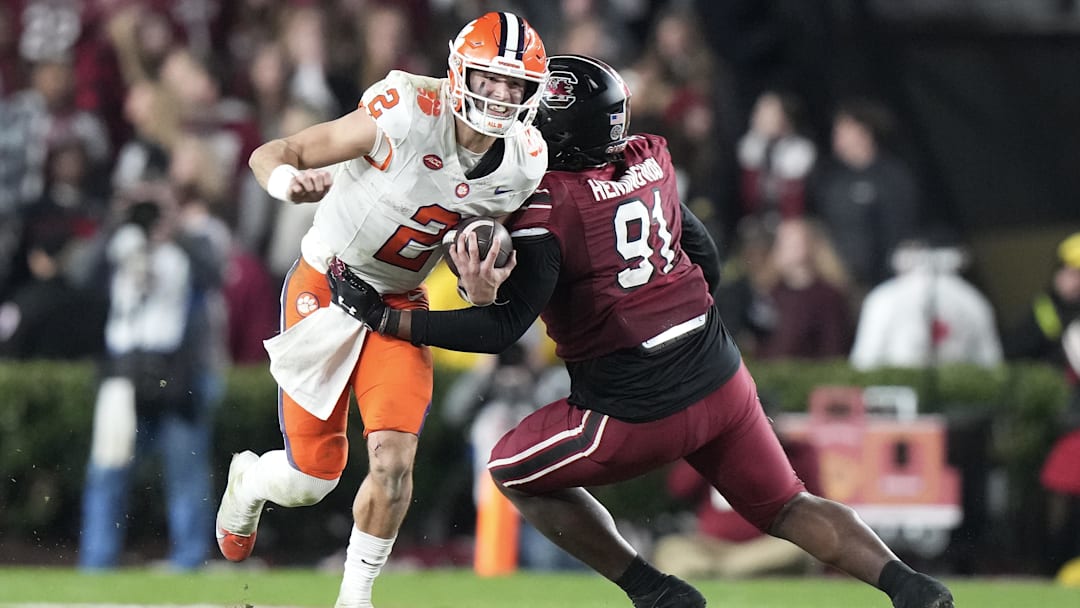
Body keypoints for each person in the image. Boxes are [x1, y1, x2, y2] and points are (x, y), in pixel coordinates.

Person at [330, 55, 954, 608]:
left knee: (509, 467)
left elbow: (504, 327)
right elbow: (701, 255)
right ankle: (913, 590)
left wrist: (389, 318)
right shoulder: (650, 159)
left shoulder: (547, 205)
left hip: (630, 406)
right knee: (788, 505)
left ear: (556, 128)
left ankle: (654, 591)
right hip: (720, 377)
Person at [214, 11, 548, 608]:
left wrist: (479, 287)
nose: (501, 96)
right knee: (311, 479)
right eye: (489, 80)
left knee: (394, 463)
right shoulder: (405, 110)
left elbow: (475, 272)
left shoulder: (524, 162)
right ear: (458, 73)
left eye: (514, 84)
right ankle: (252, 478)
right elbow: (277, 149)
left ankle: (355, 599)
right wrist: (288, 183)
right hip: (329, 281)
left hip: (398, 301)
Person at [79, 182, 227, 571]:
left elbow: (215, 276)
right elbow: (79, 279)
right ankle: (97, 560)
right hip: (124, 368)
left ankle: (190, 560)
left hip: (175, 370)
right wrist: (116, 223)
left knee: (185, 469)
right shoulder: (118, 244)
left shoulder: (188, 245)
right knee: (108, 469)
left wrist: (174, 228)